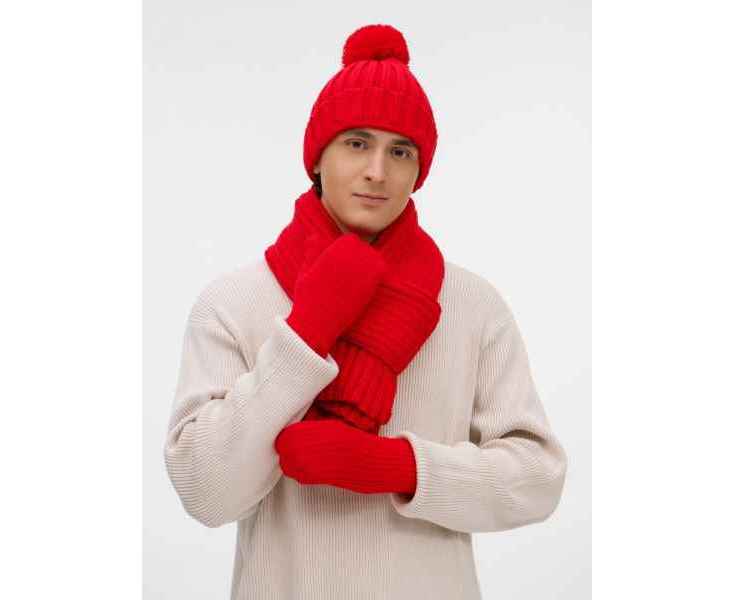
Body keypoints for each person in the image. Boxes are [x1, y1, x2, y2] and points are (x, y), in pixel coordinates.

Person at [163, 23, 567, 600]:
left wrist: (397, 467)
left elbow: (538, 479)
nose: (378, 171)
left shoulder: (471, 304)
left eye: (400, 151)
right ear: (317, 157)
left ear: (418, 170)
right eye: (357, 143)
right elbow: (206, 493)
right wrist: (306, 335)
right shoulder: (235, 302)